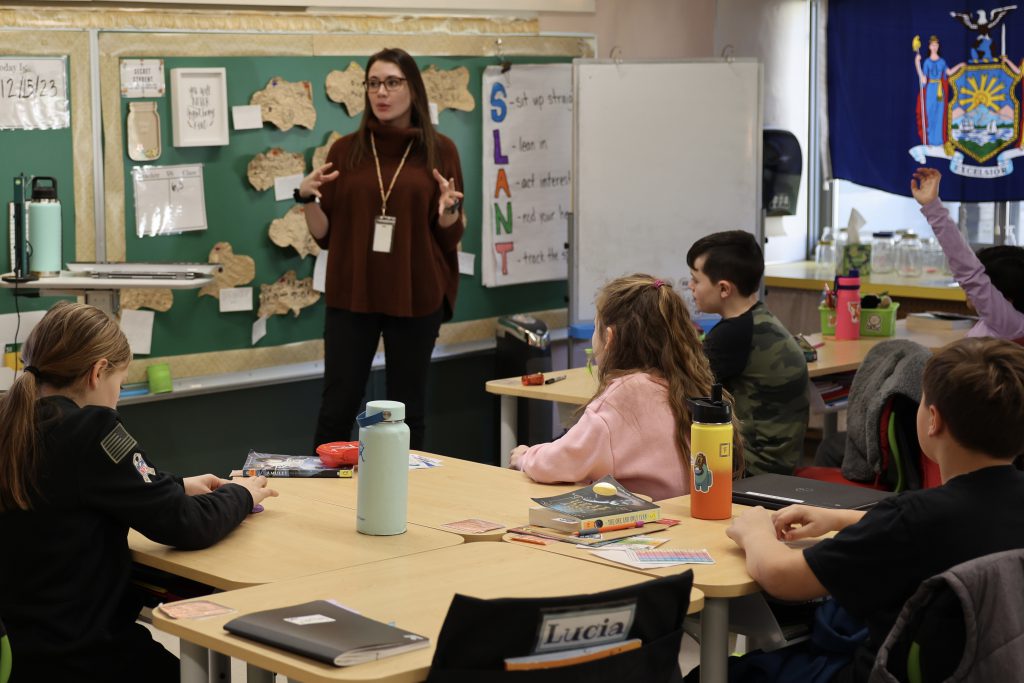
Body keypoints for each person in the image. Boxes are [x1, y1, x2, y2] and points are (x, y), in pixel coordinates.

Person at [0, 302, 278, 683]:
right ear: (98, 372)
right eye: (120, 382)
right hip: (81, 653)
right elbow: (187, 525)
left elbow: (78, 490)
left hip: (20, 650)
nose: (117, 397)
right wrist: (243, 494)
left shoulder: (11, 420)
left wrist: (178, 485)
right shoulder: (91, 430)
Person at [724, 337, 1024, 681]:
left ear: (933, 421)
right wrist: (838, 518)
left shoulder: (914, 521)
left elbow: (782, 577)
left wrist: (755, 529)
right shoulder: (929, 518)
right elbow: (965, 523)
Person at [298, 47, 465, 451]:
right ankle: (321, 504)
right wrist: (305, 199)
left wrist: (449, 210)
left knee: (407, 411)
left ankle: (408, 502)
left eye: (392, 82)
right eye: (373, 83)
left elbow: (449, 235)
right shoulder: (345, 150)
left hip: (415, 293)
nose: (381, 92)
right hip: (352, 294)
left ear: (413, 89)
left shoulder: (440, 150)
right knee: (337, 406)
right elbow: (326, 235)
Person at [509, 274, 742, 501]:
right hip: (691, 522)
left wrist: (526, 456)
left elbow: (558, 463)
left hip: (644, 525)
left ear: (609, 337)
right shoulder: (689, 380)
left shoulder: (625, 393)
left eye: (595, 327)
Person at [686, 230, 809, 476]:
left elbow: (683, 391)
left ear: (723, 289)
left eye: (696, 280)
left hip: (753, 468)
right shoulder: (759, 319)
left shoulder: (731, 335)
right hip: (781, 460)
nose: (690, 287)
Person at [911, 167, 1024, 339]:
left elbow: (968, 271)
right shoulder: (1000, 323)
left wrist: (932, 207)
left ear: (1006, 299)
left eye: (983, 285)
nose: (968, 289)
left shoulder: (1008, 323)